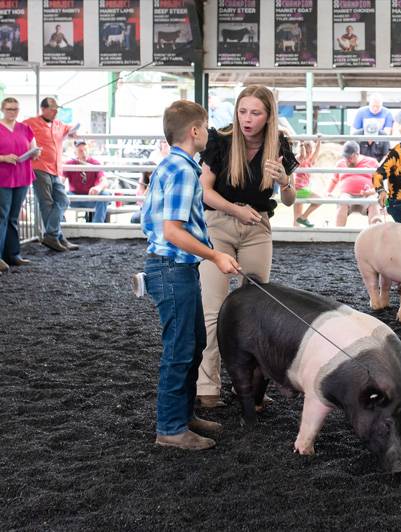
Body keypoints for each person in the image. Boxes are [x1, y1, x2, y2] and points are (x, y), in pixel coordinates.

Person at [140, 99, 239, 450]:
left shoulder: (172, 165)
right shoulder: (184, 171)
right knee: (180, 349)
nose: (209, 132)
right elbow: (173, 231)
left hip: (172, 268)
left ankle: (182, 416)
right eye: (207, 126)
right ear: (195, 131)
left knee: (193, 342)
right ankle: (170, 428)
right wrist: (217, 255)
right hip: (172, 268)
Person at [196, 85, 298, 409]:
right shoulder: (220, 141)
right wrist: (234, 209)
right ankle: (207, 385)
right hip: (218, 225)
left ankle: (252, 389)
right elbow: (205, 192)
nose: (247, 119)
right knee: (213, 309)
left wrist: (284, 181)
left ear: (269, 116)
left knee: (258, 311)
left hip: (258, 229)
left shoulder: (280, 145)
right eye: (242, 111)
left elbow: (289, 199)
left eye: (255, 113)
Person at [24, 97, 79, 252]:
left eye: (57, 109)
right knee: (46, 203)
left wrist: (74, 131)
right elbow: (16, 132)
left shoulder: (59, 124)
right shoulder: (30, 123)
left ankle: (52, 236)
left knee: (63, 200)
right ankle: (57, 237)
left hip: (55, 169)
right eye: (52, 109)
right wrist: (28, 146)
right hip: (39, 167)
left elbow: (71, 129)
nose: (55, 112)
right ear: (43, 109)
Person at [0, 97, 38, 272]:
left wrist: (35, 153)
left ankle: (13, 255)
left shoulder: (25, 128)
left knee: (13, 217)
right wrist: (4, 158)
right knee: (2, 217)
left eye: (15, 109)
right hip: (3, 177)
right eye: (9, 109)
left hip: (22, 176)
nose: (12, 112)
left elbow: (33, 149)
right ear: (2, 109)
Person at [328, 141, 380, 227]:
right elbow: (334, 180)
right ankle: (338, 233)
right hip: (347, 195)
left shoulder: (372, 162)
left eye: (350, 158)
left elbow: (380, 183)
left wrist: (372, 191)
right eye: (345, 157)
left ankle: (375, 232)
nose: (347, 161)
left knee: (373, 201)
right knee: (343, 200)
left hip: (366, 195)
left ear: (357, 154)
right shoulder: (340, 164)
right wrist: (328, 192)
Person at [63, 140, 111, 223]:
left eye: (85, 150)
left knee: (105, 194)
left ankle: (97, 227)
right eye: (80, 151)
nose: (84, 153)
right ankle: (60, 224)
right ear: (75, 152)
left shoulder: (95, 163)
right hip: (74, 198)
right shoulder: (69, 163)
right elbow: (60, 180)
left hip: (90, 197)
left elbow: (105, 181)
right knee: (59, 194)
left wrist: (98, 187)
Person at [131, 139, 170, 224]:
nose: (150, 175)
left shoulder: (162, 178)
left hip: (159, 209)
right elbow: (141, 201)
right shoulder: (143, 181)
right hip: (147, 208)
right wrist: (150, 185)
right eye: (148, 174)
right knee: (135, 218)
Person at [294, 138, 322, 227]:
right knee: (319, 200)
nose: (309, 153)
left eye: (310, 151)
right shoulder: (299, 158)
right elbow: (302, 155)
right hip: (298, 190)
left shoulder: (309, 161)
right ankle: (304, 217)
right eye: (308, 151)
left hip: (302, 190)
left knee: (296, 218)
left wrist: (319, 141)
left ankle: (299, 222)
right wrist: (301, 144)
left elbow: (316, 153)